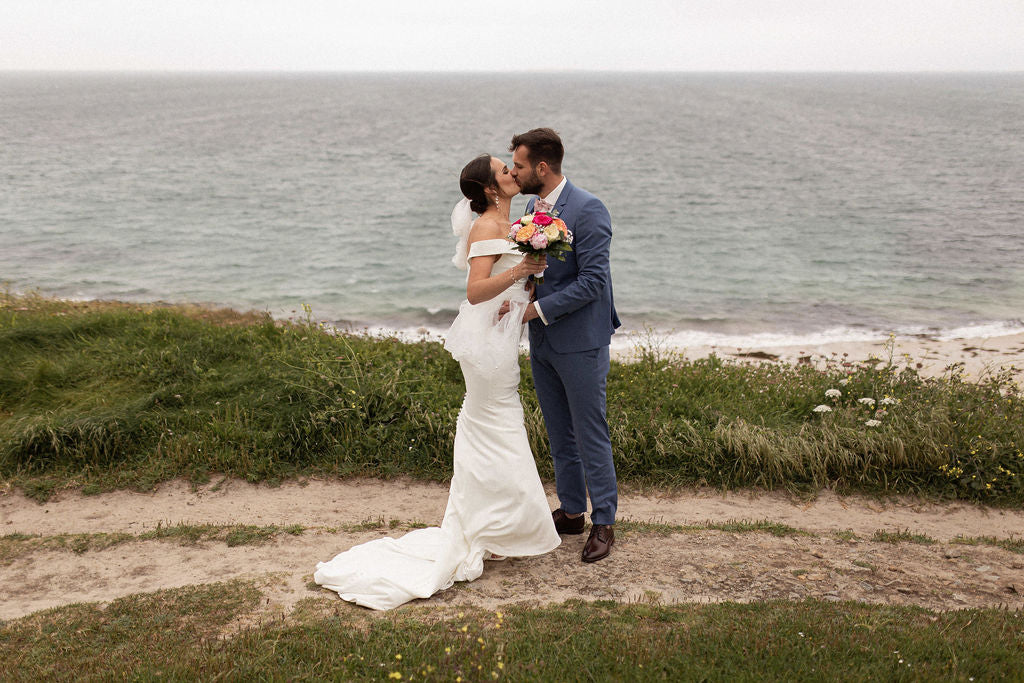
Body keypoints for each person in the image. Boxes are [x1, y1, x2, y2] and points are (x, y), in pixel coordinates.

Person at [313, 154, 560, 610]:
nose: (513, 173)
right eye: (504, 170)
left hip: (501, 331)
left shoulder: (511, 224)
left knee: (493, 419)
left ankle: (494, 520)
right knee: (497, 417)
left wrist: (526, 287)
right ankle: (496, 523)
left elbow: (502, 288)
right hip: (485, 340)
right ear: (490, 189)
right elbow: (475, 290)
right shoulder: (487, 226)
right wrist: (522, 272)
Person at [503, 128, 620, 563]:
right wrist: (518, 297)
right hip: (544, 340)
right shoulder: (534, 207)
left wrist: (533, 312)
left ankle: (603, 521)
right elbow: (538, 270)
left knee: (590, 432)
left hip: (581, 341)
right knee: (558, 431)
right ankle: (572, 511)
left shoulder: (589, 210)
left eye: (518, 165)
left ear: (542, 168)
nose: (513, 172)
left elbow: (593, 282)